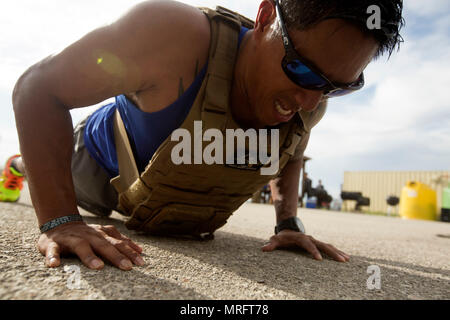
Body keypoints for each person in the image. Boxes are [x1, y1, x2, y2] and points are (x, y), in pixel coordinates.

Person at [6, 0, 404, 271]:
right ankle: (17, 165)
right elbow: (38, 90)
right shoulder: (175, 36)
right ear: (266, 15)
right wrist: (60, 221)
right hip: (94, 164)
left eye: (338, 86)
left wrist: (288, 223)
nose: (310, 100)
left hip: (161, 197)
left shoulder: (313, 96)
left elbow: (291, 152)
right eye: (301, 70)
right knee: (56, 178)